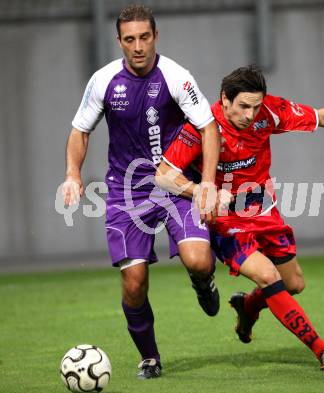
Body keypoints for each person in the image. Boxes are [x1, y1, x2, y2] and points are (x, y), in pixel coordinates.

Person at [156, 65, 324, 370]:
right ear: (224, 100)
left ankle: (249, 306)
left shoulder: (268, 112)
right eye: (243, 106)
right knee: (268, 276)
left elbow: (323, 117)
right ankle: (322, 348)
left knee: (292, 284)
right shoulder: (203, 126)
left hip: (263, 211)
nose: (250, 114)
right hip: (226, 221)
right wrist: (202, 193)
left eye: (255, 107)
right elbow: (163, 176)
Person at [61, 5, 221, 379]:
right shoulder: (103, 81)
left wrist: (208, 182)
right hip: (125, 194)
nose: (137, 46)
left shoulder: (176, 76)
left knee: (198, 259)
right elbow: (79, 130)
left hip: (176, 183)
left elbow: (208, 127)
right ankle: (150, 357)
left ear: (155, 37)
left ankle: (203, 281)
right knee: (134, 283)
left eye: (144, 37)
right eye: (129, 39)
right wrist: (72, 174)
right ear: (119, 41)